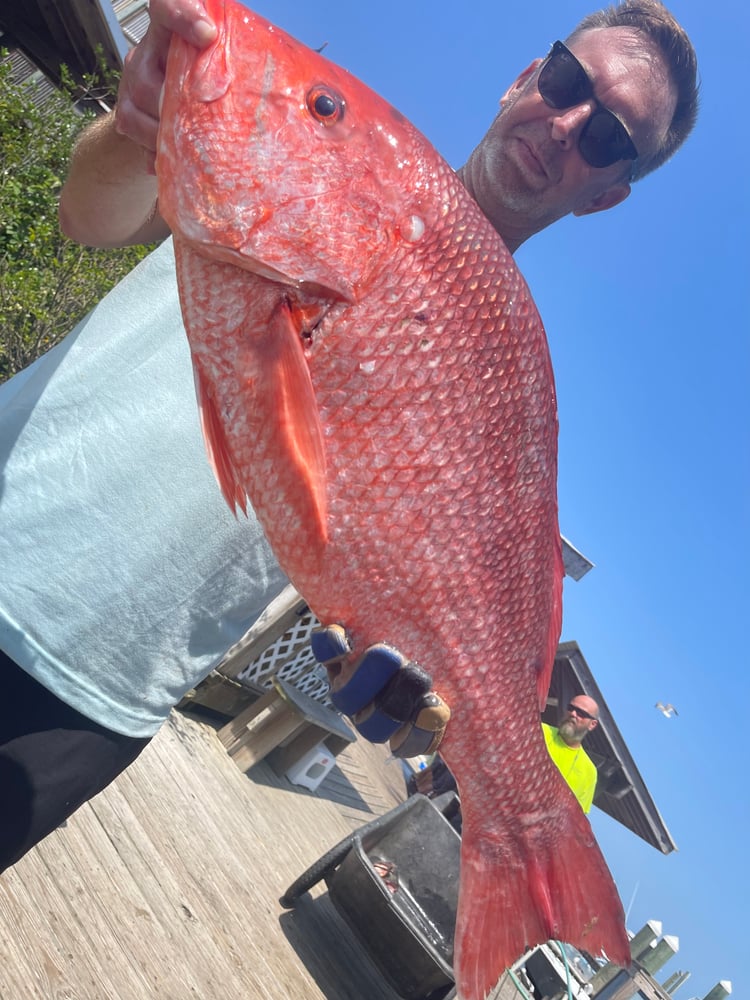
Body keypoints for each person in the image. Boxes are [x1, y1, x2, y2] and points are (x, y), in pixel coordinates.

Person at [0, 0, 698, 872]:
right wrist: (138, 125)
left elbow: (433, 600)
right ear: (526, 75)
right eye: (565, 82)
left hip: (98, 693)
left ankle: (520, 840)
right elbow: (86, 216)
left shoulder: (501, 379)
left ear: (607, 196)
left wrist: (415, 691)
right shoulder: (296, 170)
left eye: (608, 137)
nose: (566, 124)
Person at [407, 695, 601, 828]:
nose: (573, 714)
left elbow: (572, 822)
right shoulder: (537, 730)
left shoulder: (589, 772)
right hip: (483, 806)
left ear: (592, 724)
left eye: (582, 713)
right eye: (571, 708)